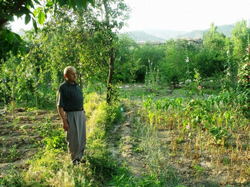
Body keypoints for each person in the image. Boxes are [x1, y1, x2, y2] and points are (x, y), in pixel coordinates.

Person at [56, 66, 86, 165]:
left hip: (80, 114)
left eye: (75, 73)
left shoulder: (77, 86)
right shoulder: (63, 88)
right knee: (73, 138)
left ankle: (80, 158)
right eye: (72, 73)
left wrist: (83, 112)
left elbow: (80, 101)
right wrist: (64, 121)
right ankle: (74, 160)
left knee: (81, 137)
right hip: (71, 115)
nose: (75, 75)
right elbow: (60, 107)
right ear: (66, 75)